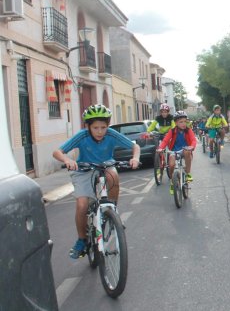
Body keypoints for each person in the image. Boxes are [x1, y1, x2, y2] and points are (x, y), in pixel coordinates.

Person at [52, 104, 140, 259]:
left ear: (108, 125)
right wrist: (67, 160)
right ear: (88, 126)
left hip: (106, 165)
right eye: (96, 128)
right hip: (84, 169)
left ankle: (111, 212)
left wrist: (135, 158)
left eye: (103, 127)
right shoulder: (82, 136)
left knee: (113, 175)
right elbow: (57, 152)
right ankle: (81, 240)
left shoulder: (111, 134)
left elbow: (135, 146)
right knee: (82, 204)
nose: (100, 131)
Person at [156, 110, 197, 193]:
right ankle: (172, 181)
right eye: (181, 122)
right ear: (176, 123)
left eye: (185, 121)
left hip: (186, 149)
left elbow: (193, 140)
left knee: (187, 152)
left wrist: (192, 147)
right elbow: (165, 141)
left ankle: (188, 174)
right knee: (171, 165)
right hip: (174, 151)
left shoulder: (188, 130)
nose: (184, 124)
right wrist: (160, 148)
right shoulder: (172, 131)